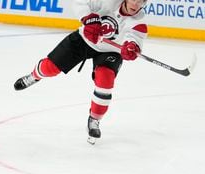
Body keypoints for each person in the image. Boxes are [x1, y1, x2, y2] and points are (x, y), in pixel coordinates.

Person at [13, 0, 148, 144]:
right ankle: (34, 76)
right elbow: (79, 3)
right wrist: (88, 19)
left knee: (105, 80)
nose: (136, 4)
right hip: (83, 41)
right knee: (50, 68)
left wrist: (132, 48)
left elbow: (134, 39)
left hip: (110, 51)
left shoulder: (139, 23)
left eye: (141, 1)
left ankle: (94, 119)